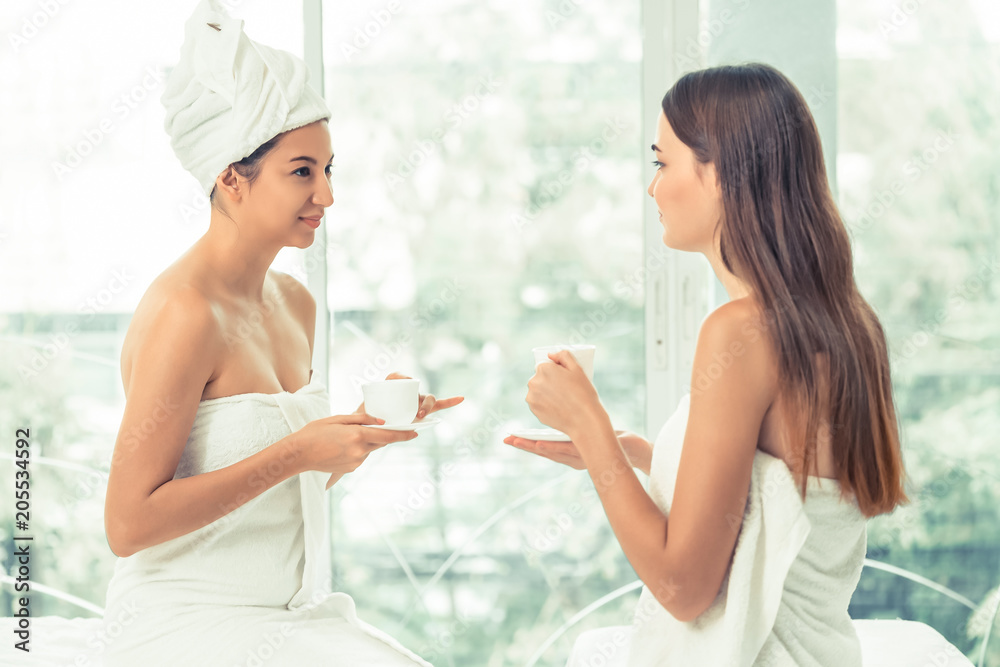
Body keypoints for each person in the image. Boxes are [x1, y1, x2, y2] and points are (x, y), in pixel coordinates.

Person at [504, 63, 909, 666]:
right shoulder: (847, 318)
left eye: (662, 163)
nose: (652, 188)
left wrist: (590, 430)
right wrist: (636, 454)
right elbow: (787, 485)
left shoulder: (740, 331)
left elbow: (684, 589)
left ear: (722, 173)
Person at [100, 1, 460, 665]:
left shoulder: (295, 303)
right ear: (231, 177)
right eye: (302, 171)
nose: (326, 194)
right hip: (182, 619)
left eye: (329, 170)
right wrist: (298, 450)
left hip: (290, 614)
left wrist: (353, 438)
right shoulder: (186, 314)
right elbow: (127, 524)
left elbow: (272, 488)